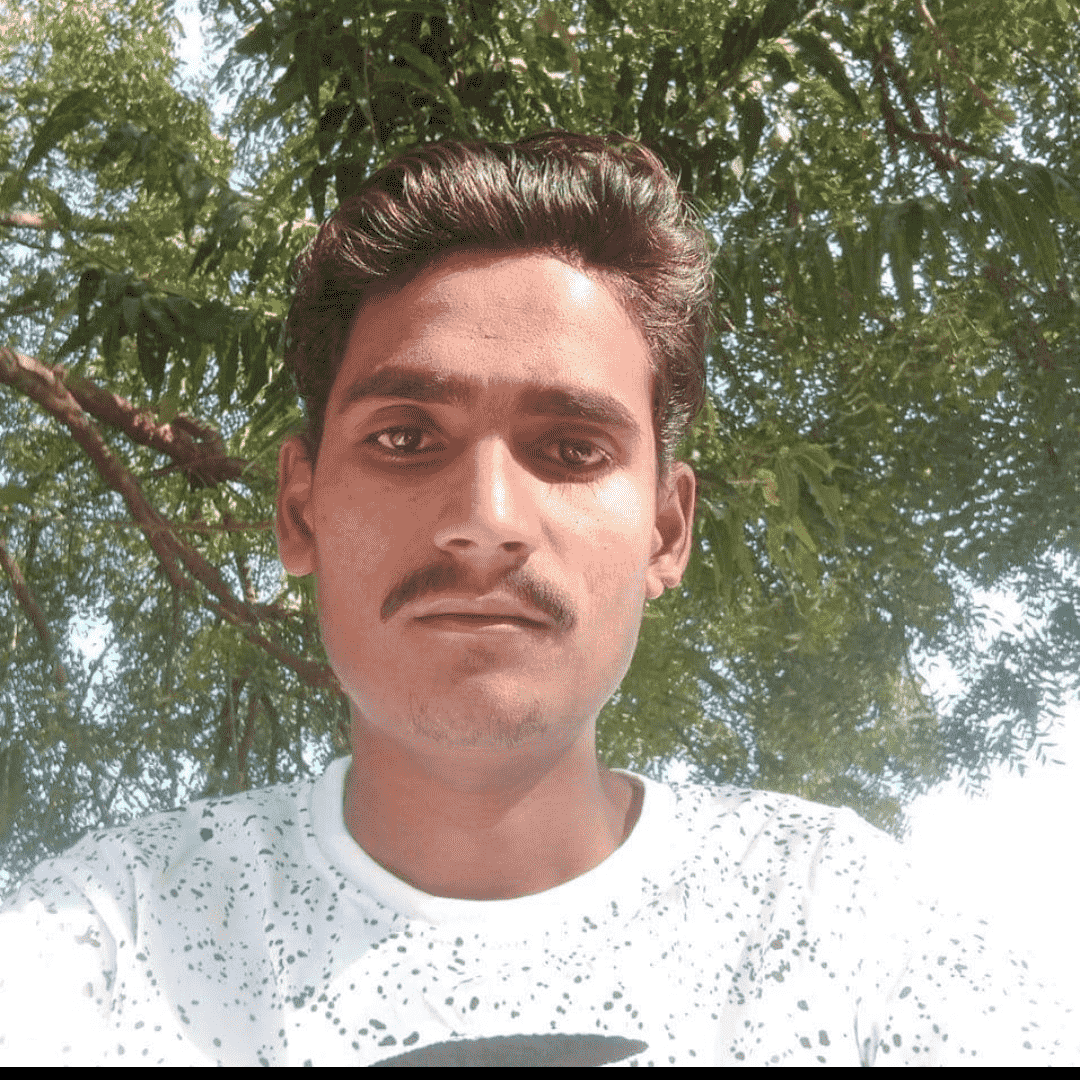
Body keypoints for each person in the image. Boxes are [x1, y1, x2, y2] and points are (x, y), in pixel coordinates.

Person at [0, 132, 1073, 1067]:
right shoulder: (106, 944)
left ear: (667, 530)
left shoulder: (848, 928)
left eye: (571, 449)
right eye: (405, 438)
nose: (485, 518)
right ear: (300, 509)